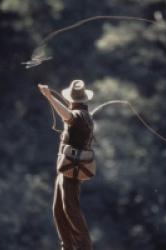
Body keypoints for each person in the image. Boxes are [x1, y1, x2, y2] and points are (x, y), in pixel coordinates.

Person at [38, 80, 96, 250]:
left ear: (72, 100)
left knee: (70, 208)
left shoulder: (78, 116)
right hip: (66, 169)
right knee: (58, 209)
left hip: (71, 172)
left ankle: (85, 247)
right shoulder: (82, 115)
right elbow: (71, 115)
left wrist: (49, 96)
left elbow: (68, 117)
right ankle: (67, 246)